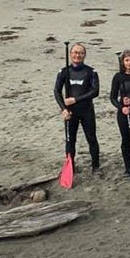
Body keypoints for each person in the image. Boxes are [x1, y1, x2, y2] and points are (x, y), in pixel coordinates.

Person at [53, 42, 101, 173]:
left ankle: (96, 166)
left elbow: (95, 91)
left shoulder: (91, 72)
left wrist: (75, 99)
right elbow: (57, 91)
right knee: (70, 140)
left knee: (91, 138)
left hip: (86, 111)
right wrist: (63, 108)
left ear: (84, 55)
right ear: (70, 54)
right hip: (70, 113)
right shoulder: (64, 72)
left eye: (80, 52)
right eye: (74, 52)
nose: (77, 55)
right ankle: (70, 166)